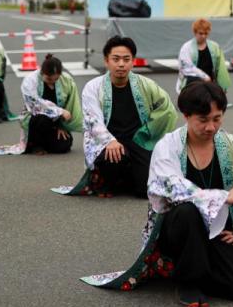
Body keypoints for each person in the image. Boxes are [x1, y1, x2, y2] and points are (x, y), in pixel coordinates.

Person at [80, 81, 233, 307]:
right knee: (188, 211)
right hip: (179, 229)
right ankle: (188, 280)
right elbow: (169, 186)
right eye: (203, 120)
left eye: (217, 118)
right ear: (187, 116)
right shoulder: (168, 146)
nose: (211, 127)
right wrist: (221, 197)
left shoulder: (232, 146)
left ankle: (194, 267)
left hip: (218, 229)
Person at [56, 36, 177, 198]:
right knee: (112, 159)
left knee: (144, 191)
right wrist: (109, 140)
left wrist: (147, 132)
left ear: (133, 61)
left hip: (137, 140)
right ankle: (108, 178)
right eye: (116, 59)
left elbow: (167, 109)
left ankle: (128, 177)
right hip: (108, 142)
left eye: (126, 59)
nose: (121, 64)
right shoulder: (93, 87)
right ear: (106, 61)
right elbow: (93, 120)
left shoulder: (145, 85)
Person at [0, 53, 84, 156]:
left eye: (56, 79)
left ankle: (45, 143)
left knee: (64, 145)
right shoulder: (30, 80)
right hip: (35, 120)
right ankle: (35, 144)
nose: (52, 82)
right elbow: (34, 105)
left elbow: (71, 104)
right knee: (42, 118)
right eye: (49, 79)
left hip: (56, 122)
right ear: (42, 71)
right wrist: (59, 111)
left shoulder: (67, 80)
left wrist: (63, 126)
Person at [176, 17, 231, 95]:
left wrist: (223, 86)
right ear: (195, 33)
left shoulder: (215, 47)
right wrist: (204, 76)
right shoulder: (187, 47)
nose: (204, 36)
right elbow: (187, 68)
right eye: (201, 33)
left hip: (210, 83)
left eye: (206, 33)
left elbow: (220, 68)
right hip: (193, 83)